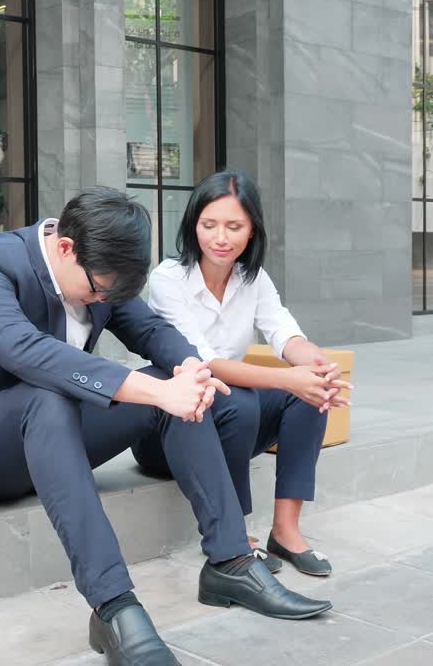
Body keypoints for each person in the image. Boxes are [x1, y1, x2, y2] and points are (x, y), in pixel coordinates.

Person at [0, 187, 330, 666]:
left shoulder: (104, 270)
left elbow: (149, 331)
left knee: (171, 381)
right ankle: (113, 606)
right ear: (66, 249)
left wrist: (190, 370)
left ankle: (230, 561)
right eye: (98, 291)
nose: (103, 300)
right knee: (50, 396)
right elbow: (27, 352)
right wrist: (152, 390)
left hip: (60, 436)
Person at [133, 171, 352, 578]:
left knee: (308, 395)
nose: (220, 237)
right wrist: (291, 378)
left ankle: (285, 531)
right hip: (172, 433)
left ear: (252, 231)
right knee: (244, 397)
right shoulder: (169, 278)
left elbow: (286, 334)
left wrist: (319, 367)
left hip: (230, 421)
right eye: (209, 225)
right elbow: (206, 361)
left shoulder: (254, 280)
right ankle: (237, 535)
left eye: (234, 226)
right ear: (193, 224)